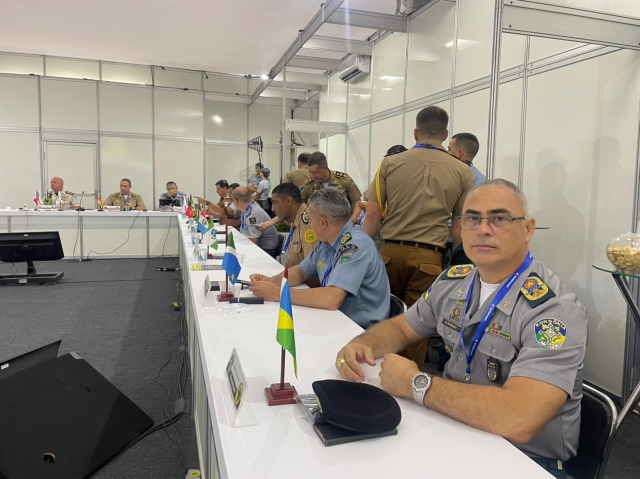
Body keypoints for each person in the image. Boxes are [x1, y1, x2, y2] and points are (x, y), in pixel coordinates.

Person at [335, 179, 586, 478]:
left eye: (499, 218)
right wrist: (362, 344)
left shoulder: (554, 311)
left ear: (528, 229)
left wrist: (415, 383)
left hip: (523, 461)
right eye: (472, 218)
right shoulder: (453, 281)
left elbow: (519, 418)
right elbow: (402, 329)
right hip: (454, 431)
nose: (483, 229)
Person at [362, 105, 474, 366]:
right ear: (445, 135)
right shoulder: (462, 171)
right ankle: (407, 378)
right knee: (417, 325)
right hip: (429, 258)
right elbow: (459, 226)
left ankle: (375, 371)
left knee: (383, 317)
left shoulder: (389, 163)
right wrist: (453, 264)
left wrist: (364, 254)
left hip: (389, 255)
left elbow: (372, 214)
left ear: (415, 133)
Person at [250, 188, 390, 329]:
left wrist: (278, 293)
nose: (309, 225)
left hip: (361, 329)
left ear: (323, 222)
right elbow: (300, 272)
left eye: (310, 220)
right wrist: (270, 281)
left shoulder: (356, 247)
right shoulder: (327, 242)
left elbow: (331, 298)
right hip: (337, 319)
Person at [270, 182, 317, 268]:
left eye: (275, 203)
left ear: (288, 201)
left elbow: (311, 267)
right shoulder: (296, 220)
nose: (273, 209)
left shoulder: (308, 223)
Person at [231, 186, 279, 257]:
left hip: (266, 251)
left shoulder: (253, 213)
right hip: (262, 248)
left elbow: (253, 242)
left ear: (235, 201)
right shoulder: (251, 206)